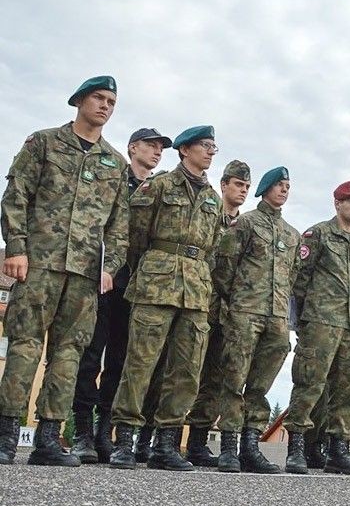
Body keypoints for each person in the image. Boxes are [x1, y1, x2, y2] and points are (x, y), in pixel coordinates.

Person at [0, 76, 129, 467]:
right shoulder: (43, 143)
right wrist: (16, 248)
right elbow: (16, 197)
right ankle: (6, 435)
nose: (105, 106)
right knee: (24, 347)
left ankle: (48, 439)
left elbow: (119, 227)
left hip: (85, 275)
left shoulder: (115, 163)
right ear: (79, 101)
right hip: (38, 265)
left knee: (69, 354)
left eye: (111, 101)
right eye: (98, 98)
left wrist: (109, 268)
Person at [108, 125, 223, 471]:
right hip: (157, 284)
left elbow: (212, 248)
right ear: (185, 150)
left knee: (187, 369)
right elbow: (135, 236)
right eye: (205, 145)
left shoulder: (213, 199)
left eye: (214, 147)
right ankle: (124, 440)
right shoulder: (159, 186)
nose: (211, 152)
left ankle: (166, 443)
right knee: (140, 364)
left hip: (196, 291)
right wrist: (154, 267)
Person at [70, 127, 171, 464]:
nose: (157, 152)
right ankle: (82, 431)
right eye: (150, 145)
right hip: (102, 278)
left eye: (160, 148)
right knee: (89, 356)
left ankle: (105, 432)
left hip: (138, 284)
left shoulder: (159, 189)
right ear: (132, 148)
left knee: (121, 362)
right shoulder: (114, 178)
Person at [211, 167, 298, 473]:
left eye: (288, 186)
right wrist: (237, 301)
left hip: (276, 319)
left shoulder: (291, 234)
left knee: (260, 386)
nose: (284, 190)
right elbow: (224, 267)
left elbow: (292, 277)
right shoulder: (246, 223)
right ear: (265, 188)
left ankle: (251, 446)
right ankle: (228, 448)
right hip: (245, 313)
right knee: (234, 379)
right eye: (279, 185)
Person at [282, 180, 350, 476]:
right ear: (337, 203)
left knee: (347, 389)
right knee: (309, 383)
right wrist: (303, 320)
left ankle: (338, 449)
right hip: (320, 321)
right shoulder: (318, 234)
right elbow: (300, 279)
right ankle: (297, 446)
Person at [184, 159, 251, 466]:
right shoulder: (209, 213)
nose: (243, 190)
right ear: (224, 185)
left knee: (215, 377)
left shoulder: (247, 226)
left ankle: (197, 443)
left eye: (247, 186)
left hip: (228, 313)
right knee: (184, 371)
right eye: (238, 184)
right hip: (197, 303)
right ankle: (156, 438)